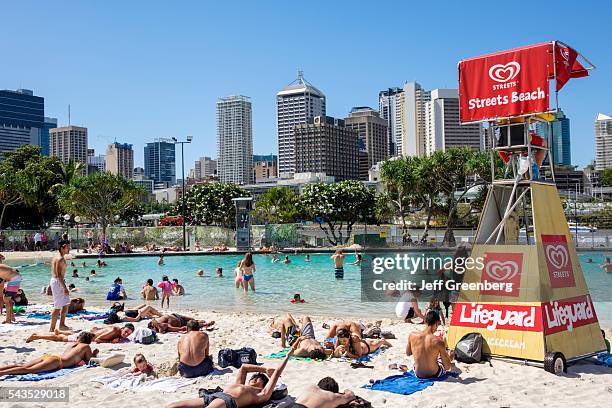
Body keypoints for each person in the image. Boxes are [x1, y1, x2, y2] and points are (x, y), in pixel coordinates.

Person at [168, 340, 297, 408]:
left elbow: (278, 373)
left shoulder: (261, 394)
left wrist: (288, 355)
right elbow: (244, 368)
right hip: (215, 396)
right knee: (174, 406)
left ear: (263, 384)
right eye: (253, 377)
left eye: (257, 379)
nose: (253, 379)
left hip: (228, 401)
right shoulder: (240, 384)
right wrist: (264, 369)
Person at [0, 332, 98, 375]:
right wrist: (94, 353)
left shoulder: (72, 345)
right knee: (29, 370)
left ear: (78, 338)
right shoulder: (85, 346)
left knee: (23, 365)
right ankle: (2, 373)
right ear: (88, 341)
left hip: (51, 357)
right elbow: (89, 360)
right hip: (57, 362)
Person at [406, 310, 454, 378]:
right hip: (434, 374)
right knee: (449, 354)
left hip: (418, 373)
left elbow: (408, 353)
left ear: (425, 321)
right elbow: (447, 367)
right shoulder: (438, 341)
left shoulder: (412, 335)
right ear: (436, 324)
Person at [50, 240, 71, 332]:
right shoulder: (60, 259)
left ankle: (62, 324)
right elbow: (58, 275)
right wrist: (65, 288)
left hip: (57, 281)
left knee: (66, 303)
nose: (69, 249)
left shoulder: (56, 256)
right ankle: (52, 328)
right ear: (62, 248)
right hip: (58, 282)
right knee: (57, 306)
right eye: (67, 247)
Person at [148, 313, 214, 334]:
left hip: (177, 316)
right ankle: (205, 324)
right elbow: (181, 329)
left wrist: (159, 328)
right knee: (192, 324)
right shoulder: (168, 328)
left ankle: (201, 322)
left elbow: (153, 320)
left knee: (193, 319)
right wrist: (183, 329)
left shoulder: (157, 322)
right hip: (182, 323)